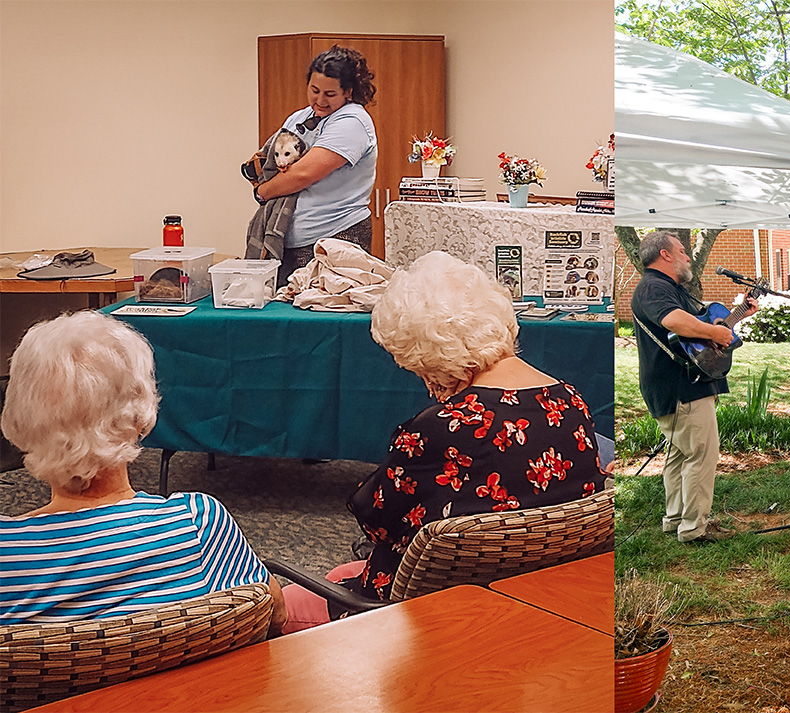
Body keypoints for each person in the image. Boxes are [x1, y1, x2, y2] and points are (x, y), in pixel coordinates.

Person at [280, 252, 608, 631]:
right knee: (342, 570)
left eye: (418, 369)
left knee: (280, 606)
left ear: (433, 356)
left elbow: (378, 524)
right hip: (535, 592)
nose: (424, 382)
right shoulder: (571, 401)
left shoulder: (441, 427)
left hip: (430, 606)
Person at [0, 312, 286, 634]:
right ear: (138, 418)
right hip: (196, 685)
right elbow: (273, 614)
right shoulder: (199, 523)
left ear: (20, 418)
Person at [630, 230, 758, 544]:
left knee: (680, 455)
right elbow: (676, 322)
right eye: (683, 251)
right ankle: (694, 529)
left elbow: (698, 333)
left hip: (682, 382)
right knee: (701, 455)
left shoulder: (671, 289)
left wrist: (736, 317)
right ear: (665, 255)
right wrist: (715, 335)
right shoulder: (653, 287)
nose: (688, 257)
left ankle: (675, 519)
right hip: (680, 386)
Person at [254, 45, 378, 280]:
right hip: (287, 237)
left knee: (325, 308)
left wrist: (262, 192)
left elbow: (303, 175)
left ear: (348, 92)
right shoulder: (299, 118)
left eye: (330, 94)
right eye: (314, 90)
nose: (320, 100)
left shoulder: (353, 121)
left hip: (335, 235)